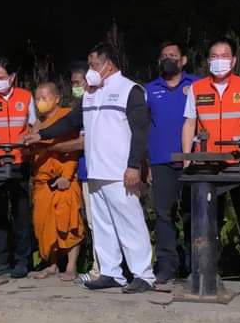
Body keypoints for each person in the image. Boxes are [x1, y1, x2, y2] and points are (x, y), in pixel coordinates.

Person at [24, 42, 156, 293]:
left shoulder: (130, 90)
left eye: (94, 65)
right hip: (96, 171)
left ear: (109, 65)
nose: (90, 71)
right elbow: (70, 121)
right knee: (103, 225)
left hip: (120, 173)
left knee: (130, 223)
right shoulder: (91, 93)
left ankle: (144, 275)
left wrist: (133, 166)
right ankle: (110, 272)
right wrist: (42, 135)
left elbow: (140, 131)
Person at [181, 39, 240, 294]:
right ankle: (207, 273)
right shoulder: (197, 88)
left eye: (224, 55)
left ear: (233, 60)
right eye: (214, 55)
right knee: (208, 223)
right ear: (209, 60)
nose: (219, 60)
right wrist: (187, 158)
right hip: (208, 167)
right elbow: (189, 124)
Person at [144, 41, 200, 284]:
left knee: (192, 214)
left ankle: (195, 265)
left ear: (183, 60)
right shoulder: (149, 89)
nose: (169, 59)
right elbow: (142, 126)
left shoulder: (197, 84)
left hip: (192, 160)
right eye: (164, 55)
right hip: (160, 160)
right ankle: (167, 265)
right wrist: (145, 162)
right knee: (164, 215)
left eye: (173, 55)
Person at [0, 57, 36, 278]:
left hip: (20, 161)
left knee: (21, 212)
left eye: (1, 77)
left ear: (12, 77)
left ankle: (22, 261)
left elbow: (34, 123)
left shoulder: (25, 96)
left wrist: (30, 136)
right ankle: (1, 262)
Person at [46, 63, 101, 284]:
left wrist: (55, 147)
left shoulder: (98, 105)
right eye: (73, 83)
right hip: (86, 172)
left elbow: (84, 141)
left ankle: (108, 269)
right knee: (93, 223)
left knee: (104, 222)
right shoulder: (79, 109)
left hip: (105, 171)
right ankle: (99, 267)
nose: (75, 87)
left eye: (78, 82)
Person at [30, 82, 85, 281]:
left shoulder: (66, 118)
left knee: (69, 223)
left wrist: (67, 176)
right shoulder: (36, 123)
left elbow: (73, 149)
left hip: (64, 179)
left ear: (57, 99)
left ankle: (71, 266)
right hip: (42, 182)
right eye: (37, 99)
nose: (40, 102)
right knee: (44, 224)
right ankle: (51, 264)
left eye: (44, 98)